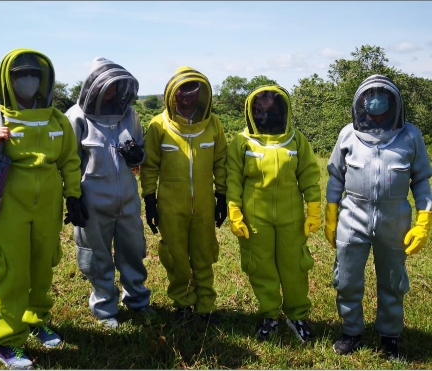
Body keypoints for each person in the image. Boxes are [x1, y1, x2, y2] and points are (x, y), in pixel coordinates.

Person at [0, 48, 87, 370]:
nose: (27, 80)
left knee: (42, 265)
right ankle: (8, 341)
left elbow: (70, 159)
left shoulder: (55, 117)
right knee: (9, 271)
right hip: (6, 203)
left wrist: (74, 196)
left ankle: (36, 319)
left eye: (33, 75)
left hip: (48, 203)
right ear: (7, 80)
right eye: (19, 75)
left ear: (44, 80)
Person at [325, 74, 432, 359]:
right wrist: (330, 212)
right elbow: (336, 176)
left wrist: (424, 221)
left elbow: (421, 180)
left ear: (394, 103)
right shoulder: (348, 134)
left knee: (393, 280)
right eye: (368, 97)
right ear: (359, 102)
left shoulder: (411, 135)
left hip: (394, 217)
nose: (374, 103)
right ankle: (351, 331)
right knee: (346, 279)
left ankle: (389, 335)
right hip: (352, 214)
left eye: (382, 98)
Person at [226, 85, 321, 343]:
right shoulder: (242, 142)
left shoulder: (296, 139)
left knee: (295, 267)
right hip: (256, 218)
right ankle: (269, 315)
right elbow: (233, 179)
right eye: (260, 109)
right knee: (260, 267)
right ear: (251, 111)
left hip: (292, 219)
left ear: (284, 109)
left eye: (272, 108)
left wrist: (313, 209)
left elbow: (310, 176)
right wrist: (234, 211)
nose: (266, 114)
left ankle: (297, 316)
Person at [65, 57, 151, 329]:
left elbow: (139, 152)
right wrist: (72, 197)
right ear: (94, 87)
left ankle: (137, 300)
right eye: (108, 87)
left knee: (133, 250)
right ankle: (104, 308)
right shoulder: (76, 117)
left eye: (117, 87)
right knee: (96, 256)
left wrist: (138, 155)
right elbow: (68, 161)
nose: (113, 92)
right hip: (92, 200)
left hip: (127, 198)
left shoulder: (129, 115)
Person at [140, 66, 227, 325]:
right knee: (176, 257)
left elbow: (221, 161)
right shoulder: (158, 125)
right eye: (182, 90)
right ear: (171, 93)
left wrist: (221, 196)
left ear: (201, 92)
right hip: (170, 205)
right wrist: (149, 200)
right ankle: (182, 304)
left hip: (204, 205)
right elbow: (150, 165)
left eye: (192, 90)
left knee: (203, 255)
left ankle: (206, 307)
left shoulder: (213, 124)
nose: (187, 96)